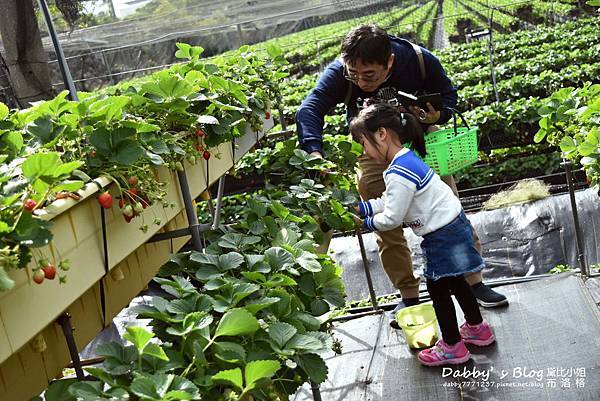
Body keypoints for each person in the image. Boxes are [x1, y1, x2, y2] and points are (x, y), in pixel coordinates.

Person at [295, 24, 507, 314]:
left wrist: (439, 113)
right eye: (353, 74)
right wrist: (314, 152)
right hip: (370, 151)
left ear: (390, 62)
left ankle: (473, 281)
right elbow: (309, 108)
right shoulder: (341, 71)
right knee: (387, 224)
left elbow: (448, 96)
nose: (360, 81)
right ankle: (409, 294)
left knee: (447, 212)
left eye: (369, 75)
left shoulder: (418, 60)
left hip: (420, 143)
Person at [350, 102, 496, 366]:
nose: (364, 152)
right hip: (454, 225)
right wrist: (362, 208)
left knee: (438, 288)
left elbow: (392, 217)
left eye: (364, 143)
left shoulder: (397, 172)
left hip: (442, 236)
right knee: (456, 280)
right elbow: (388, 200)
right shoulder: (406, 158)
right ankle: (477, 329)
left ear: (381, 134)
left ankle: (453, 347)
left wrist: (365, 224)